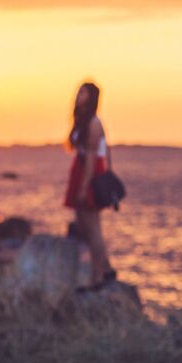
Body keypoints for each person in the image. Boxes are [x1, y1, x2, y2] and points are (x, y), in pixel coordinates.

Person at [64, 81, 117, 292]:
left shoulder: (94, 123)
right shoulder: (82, 121)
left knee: (92, 226)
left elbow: (92, 158)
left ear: (92, 97)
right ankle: (106, 268)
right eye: (79, 91)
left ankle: (98, 277)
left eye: (84, 92)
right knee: (84, 225)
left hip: (90, 174)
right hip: (81, 170)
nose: (79, 95)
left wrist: (84, 186)